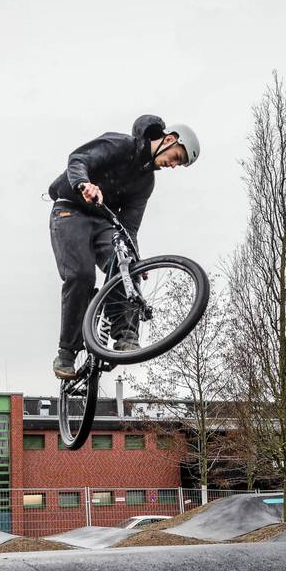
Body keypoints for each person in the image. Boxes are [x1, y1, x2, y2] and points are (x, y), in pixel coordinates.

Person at [47, 115, 200, 379]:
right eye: (177, 157)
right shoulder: (121, 145)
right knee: (81, 275)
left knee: (124, 263)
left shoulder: (146, 182)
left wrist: (136, 261)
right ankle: (67, 352)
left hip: (103, 221)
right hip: (70, 210)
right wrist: (84, 184)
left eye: (179, 164)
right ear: (170, 140)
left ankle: (125, 334)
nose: (174, 165)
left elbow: (128, 226)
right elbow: (77, 159)